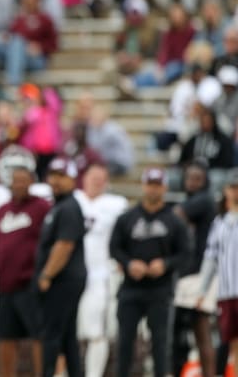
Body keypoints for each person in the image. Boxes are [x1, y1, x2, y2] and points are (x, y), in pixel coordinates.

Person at [110, 168, 192, 377]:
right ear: (143, 186)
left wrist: (165, 264)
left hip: (160, 290)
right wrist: (129, 264)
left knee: (160, 343)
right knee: (125, 342)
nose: (153, 189)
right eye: (150, 184)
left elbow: (185, 253)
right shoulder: (127, 218)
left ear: (164, 187)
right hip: (130, 288)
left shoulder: (174, 221)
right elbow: (114, 247)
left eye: (157, 185)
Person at [0, 163, 50, 377]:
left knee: (39, 337)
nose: (19, 184)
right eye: (15, 180)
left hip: (31, 285)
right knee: (5, 338)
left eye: (23, 180)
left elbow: (50, 242)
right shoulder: (1, 211)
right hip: (6, 287)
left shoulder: (42, 208)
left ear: (32, 182)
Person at [73, 164, 128, 377]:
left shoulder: (115, 204)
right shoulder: (73, 200)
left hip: (100, 275)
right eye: (93, 176)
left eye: (101, 177)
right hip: (70, 276)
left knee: (98, 332)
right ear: (83, 178)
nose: (96, 181)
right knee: (69, 331)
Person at [34, 157, 87, 377]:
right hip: (66, 279)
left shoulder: (68, 207)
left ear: (73, 180)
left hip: (62, 280)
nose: (56, 181)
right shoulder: (60, 206)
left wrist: (46, 274)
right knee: (67, 337)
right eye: (53, 175)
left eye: (62, 176)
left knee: (51, 335)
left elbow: (64, 245)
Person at [172, 161, 217, 377]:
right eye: (189, 178)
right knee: (186, 330)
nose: (192, 183)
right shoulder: (194, 200)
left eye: (198, 178)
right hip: (190, 273)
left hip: (200, 274)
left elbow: (174, 215)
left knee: (201, 329)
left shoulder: (205, 200)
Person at [198, 169, 238, 377]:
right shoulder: (220, 223)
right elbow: (210, 258)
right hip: (226, 292)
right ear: (226, 191)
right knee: (227, 341)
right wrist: (202, 289)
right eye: (233, 188)